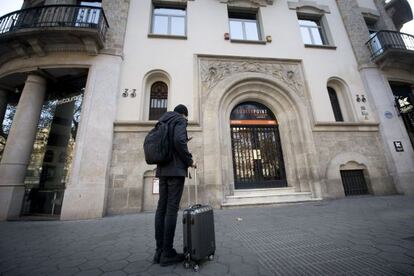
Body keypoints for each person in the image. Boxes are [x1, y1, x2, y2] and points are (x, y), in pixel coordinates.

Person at [153, 104, 196, 266]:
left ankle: (159, 251)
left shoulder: (162, 120)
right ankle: (167, 253)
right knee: (171, 210)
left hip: (162, 169)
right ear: (184, 114)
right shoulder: (180, 121)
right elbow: (179, 141)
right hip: (175, 171)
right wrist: (190, 160)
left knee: (161, 209)